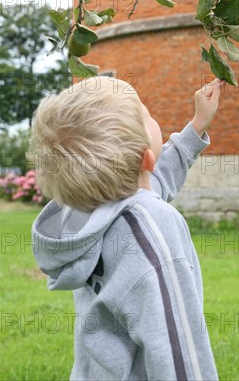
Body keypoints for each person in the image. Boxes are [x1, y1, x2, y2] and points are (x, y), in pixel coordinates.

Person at [29, 75, 225, 381]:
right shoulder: (155, 225)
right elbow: (176, 344)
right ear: (145, 157)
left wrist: (197, 126)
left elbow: (150, 184)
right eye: (146, 113)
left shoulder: (91, 213)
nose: (151, 115)